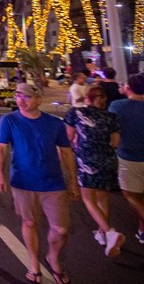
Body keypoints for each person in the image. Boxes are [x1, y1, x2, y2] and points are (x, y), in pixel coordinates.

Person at [0, 83, 78, 284]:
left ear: (39, 99)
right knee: (29, 222)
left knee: (61, 229)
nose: (21, 100)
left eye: (27, 96)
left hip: (53, 182)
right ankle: (33, 263)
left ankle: (52, 257)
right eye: (18, 96)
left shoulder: (54, 123)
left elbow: (66, 152)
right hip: (23, 181)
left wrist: (73, 181)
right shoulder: (9, 120)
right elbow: (1, 148)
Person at [64, 85, 125, 257]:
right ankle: (102, 234)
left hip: (87, 161)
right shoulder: (112, 117)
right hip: (108, 160)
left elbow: (68, 137)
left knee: (88, 199)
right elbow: (116, 142)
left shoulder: (76, 113)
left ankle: (109, 232)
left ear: (87, 99)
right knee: (102, 197)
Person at [109, 73, 144, 245]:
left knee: (131, 195)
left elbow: (110, 128)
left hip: (129, 157)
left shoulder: (117, 106)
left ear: (128, 88)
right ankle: (142, 230)